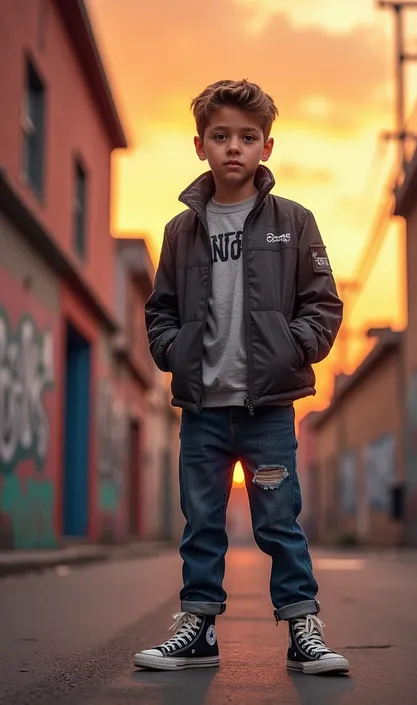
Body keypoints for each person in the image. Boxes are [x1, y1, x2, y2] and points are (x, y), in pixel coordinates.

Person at [136, 79, 348, 676]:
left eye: (248, 137)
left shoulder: (295, 221)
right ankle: (198, 630)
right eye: (221, 136)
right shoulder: (181, 232)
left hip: (269, 409)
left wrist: (292, 349)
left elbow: (323, 305)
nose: (235, 147)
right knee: (201, 523)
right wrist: (174, 351)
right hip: (202, 407)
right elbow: (160, 310)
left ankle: (303, 627)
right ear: (200, 144)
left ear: (268, 147)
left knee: (279, 521)